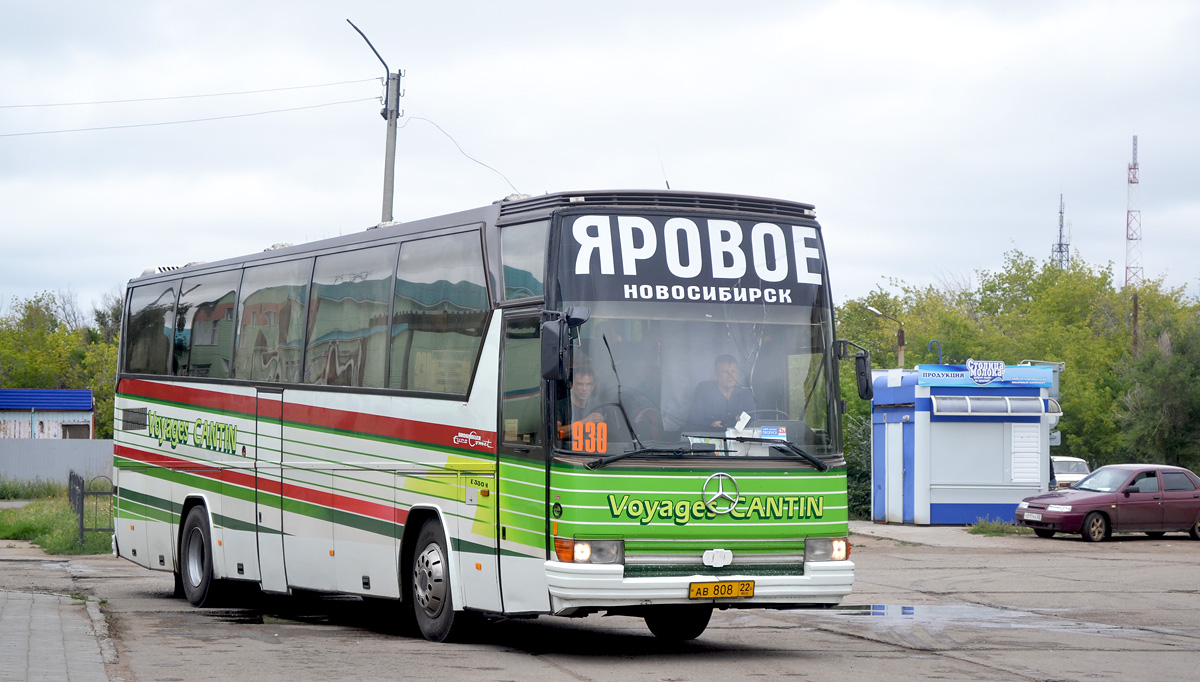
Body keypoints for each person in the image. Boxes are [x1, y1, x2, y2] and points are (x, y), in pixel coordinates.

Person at [686, 354, 756, 429]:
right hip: (711, 438)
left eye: (733, 372)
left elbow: (754, 422)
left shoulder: (745, 394)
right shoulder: (704, 391)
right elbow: (693, 420)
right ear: (716, 374)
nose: (730, 376)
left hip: (739, 439)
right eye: (725, 372)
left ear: (737, 374)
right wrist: (710, 425)